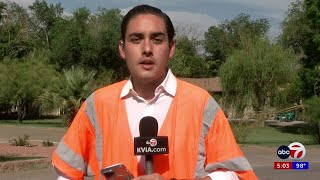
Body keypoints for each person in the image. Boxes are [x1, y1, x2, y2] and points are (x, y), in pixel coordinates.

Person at [52, 4, 257, 180]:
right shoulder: (97, 104)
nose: (147, 48)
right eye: (136, 39)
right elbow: (67, 174)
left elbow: (235, 174)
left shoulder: (201, 104)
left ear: (171, 48)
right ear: (122, 49)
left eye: (157, 39)